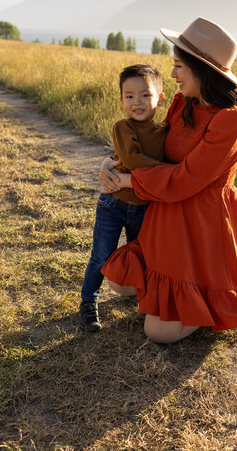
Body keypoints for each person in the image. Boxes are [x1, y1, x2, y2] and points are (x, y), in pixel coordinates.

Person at [99, 17, 237, 343]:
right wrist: (113, 162)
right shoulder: (182, 103)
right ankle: (175, 297)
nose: (172, 75)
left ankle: (204, 298)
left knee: (157, 332)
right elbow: (154, 148)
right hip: (166, 219)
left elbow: (185, 179)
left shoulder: (230, 121)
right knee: (118, 281)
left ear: (202, 69)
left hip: (203, 226)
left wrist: (127, 182)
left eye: (178, 66)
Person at [79, 64, 169, 332]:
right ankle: (88, 301)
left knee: (139, 254)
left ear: (159, 99)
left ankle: (136, 295)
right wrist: (169, 172)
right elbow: (131, 160)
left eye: (144, 95)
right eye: (129, 96)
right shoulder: (122, 127)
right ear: (121, 101)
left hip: (143, 208)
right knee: (102, 255)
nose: (137, 102)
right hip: (113, 204)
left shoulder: (165, 132)